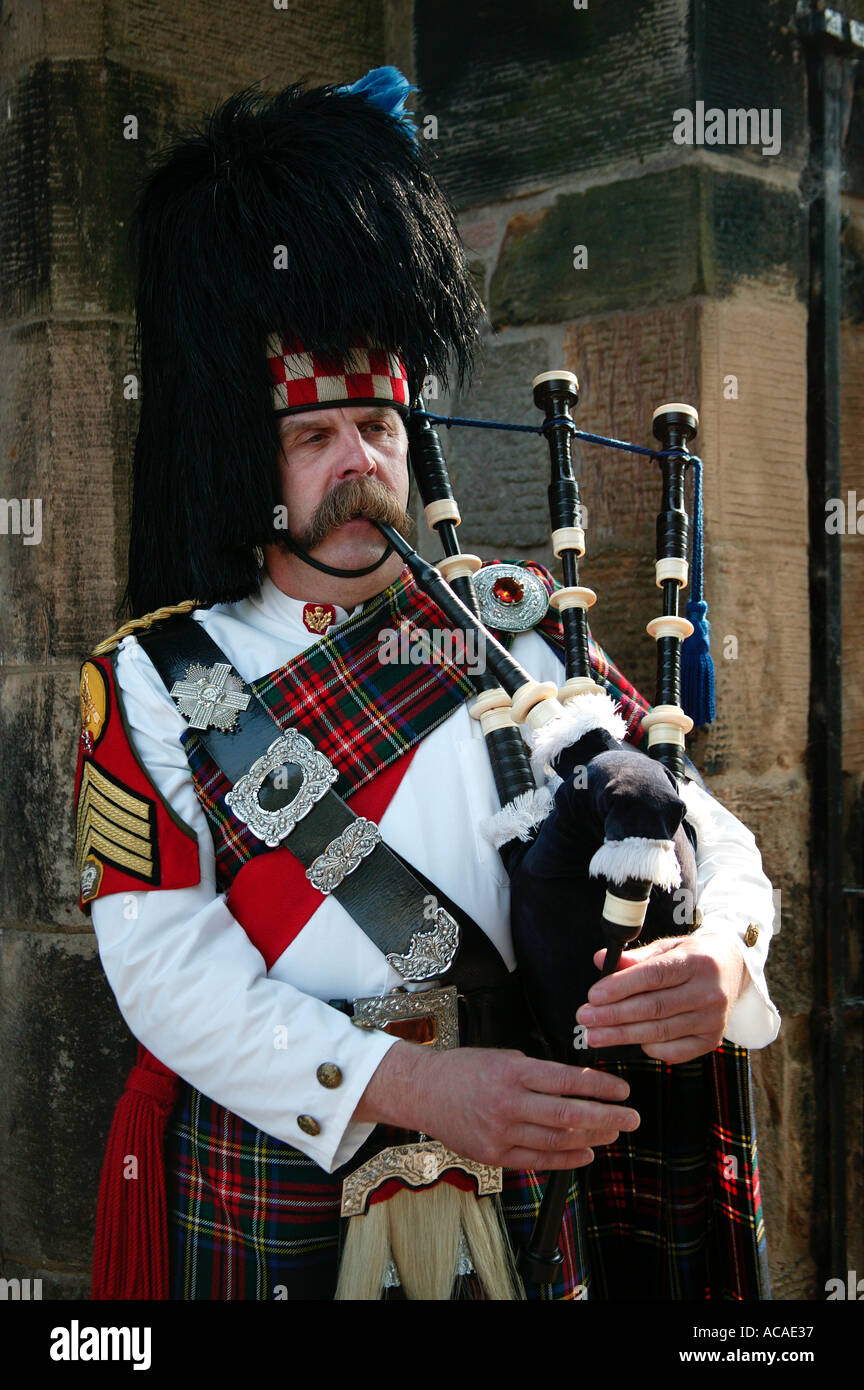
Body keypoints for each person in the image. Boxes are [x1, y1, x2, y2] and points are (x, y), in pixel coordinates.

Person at [74, 68, 780, 1301]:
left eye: (381, 431)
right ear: (254, 462)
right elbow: (166, 969)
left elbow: (684, 814)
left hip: (526, 1157)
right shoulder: (155, 673)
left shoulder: (509, 622)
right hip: (284, 1164)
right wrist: (406, 1083)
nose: (360, 464)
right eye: (315, 438)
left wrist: (723, 949)